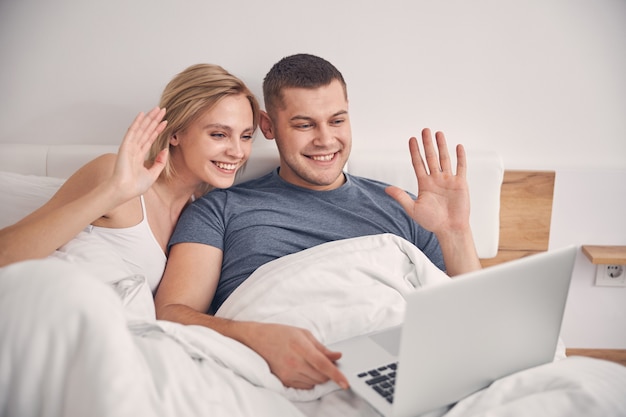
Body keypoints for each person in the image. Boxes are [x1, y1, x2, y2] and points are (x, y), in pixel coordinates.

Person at [154, 54, 481, 391]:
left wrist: (456, 233)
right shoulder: (220, 209)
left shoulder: (405, 206)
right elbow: (172, 313)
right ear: (268, 126)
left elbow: (475, 318)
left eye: (337, 121)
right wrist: (255, 335)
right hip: (278, 379)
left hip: (404, 371)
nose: (325, 140)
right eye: (304, 125)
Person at [0, 63, 260, 297]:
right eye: (218, 134)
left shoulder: (202, 214)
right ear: (175, 133)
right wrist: (114, 191)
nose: (237, 151)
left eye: (246, 136)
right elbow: (6, 254)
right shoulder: (111, 173)